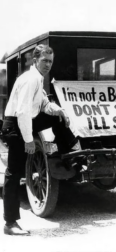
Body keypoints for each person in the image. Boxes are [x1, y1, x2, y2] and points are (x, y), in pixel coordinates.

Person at [2, 44, 77, 235]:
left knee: (57, 115)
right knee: (14, 173)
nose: (48, 65)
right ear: (35, 60)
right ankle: (10, 224)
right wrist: (28, 140)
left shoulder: (38, 78)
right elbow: (23, 111)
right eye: (44, 60)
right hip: (15, 125)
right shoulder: (30, 79)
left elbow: (43, 104)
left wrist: (59, 110)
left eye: (50, 61)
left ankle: (71, 152)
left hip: (25, 121)